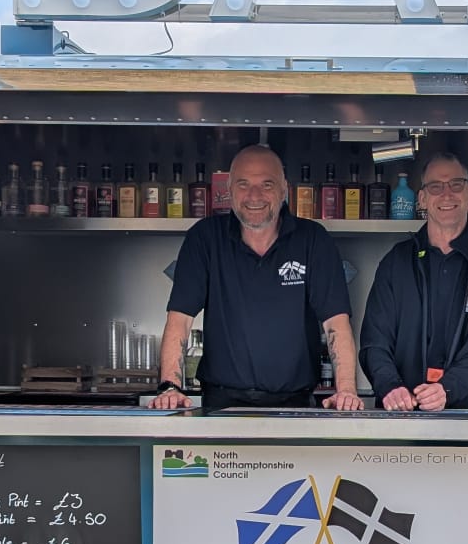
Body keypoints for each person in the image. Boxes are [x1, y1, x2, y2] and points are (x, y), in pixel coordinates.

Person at [152, 145, 362, 413]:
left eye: (266, 184)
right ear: (228, 189)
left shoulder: (313, 240)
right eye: (243, 184)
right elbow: (179, 319)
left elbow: (336, 322)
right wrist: (171, 386)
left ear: (284, 188)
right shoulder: (204, 238)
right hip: (220, 404)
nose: (254, 196)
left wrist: (346, 389)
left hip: (296, 405)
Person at [359, 151, 468, 413]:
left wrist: (447, 388)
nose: (447, 194)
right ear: (422, 197)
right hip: (401, 416)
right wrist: (390, 386)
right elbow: (375, 340)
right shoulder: (395, 262)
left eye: (456, 184)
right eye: (435, 187)